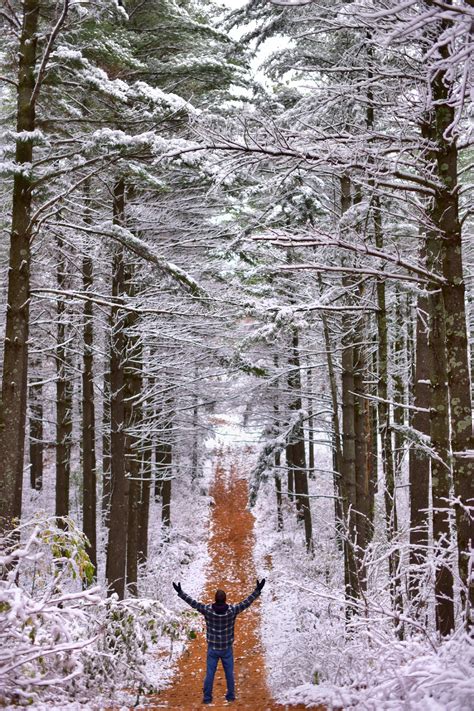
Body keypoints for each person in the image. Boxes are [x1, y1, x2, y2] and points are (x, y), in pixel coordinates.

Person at [172, 578, 266, 704]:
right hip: (226, 648)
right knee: (229, 674)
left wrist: (181, 592)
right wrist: (257, 590)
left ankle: (207, 698)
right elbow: (246, 603)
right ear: (225, 599)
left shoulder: (208, 610)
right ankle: (231, 697)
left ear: (215, 599)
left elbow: (193, 603)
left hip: (213, 648)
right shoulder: (232, 610)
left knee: (210, 673)